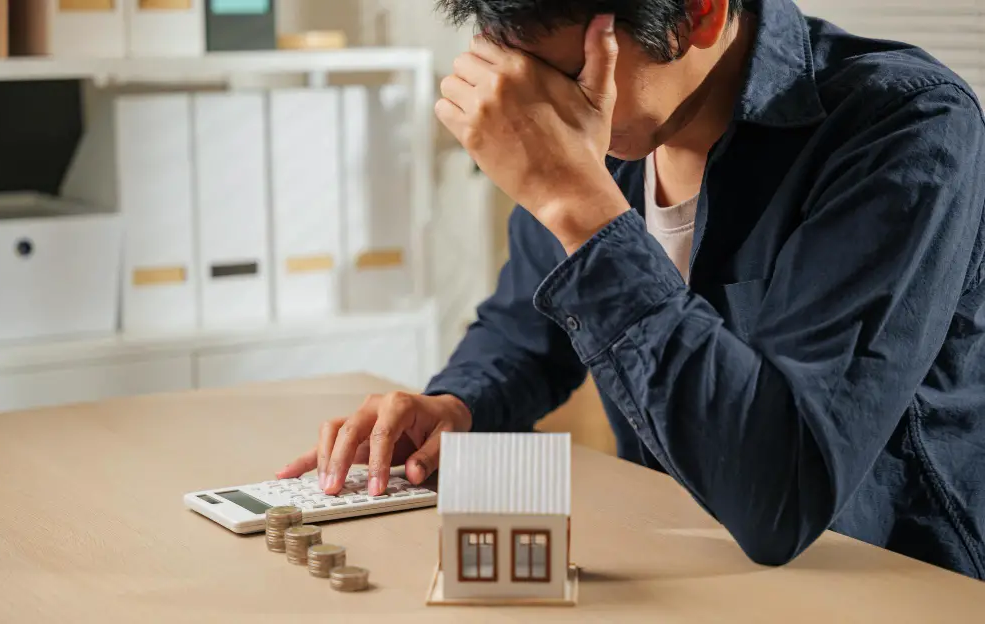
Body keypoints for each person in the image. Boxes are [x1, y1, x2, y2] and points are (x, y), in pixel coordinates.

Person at [279, 0, 985, 579]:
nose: (537, 111)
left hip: (886, 580)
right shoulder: (614, 139)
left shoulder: (906, 127)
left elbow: (784, 494)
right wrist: (456, 404)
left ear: (699, 15)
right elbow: (526, 332)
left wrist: (580, 205)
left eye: (563, 75)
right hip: (683, 562)